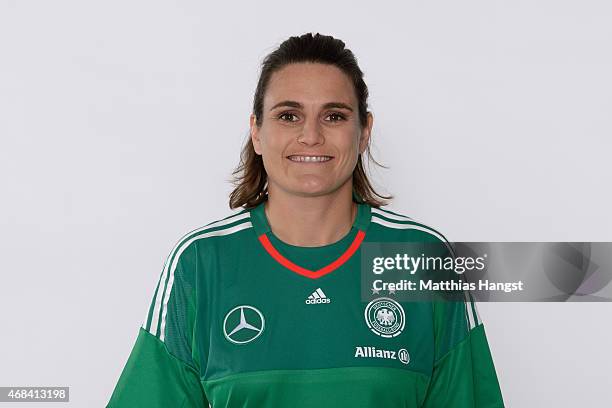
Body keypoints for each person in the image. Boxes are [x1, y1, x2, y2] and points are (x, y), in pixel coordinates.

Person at [107, 32, 505, 407]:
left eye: (334, 116)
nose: (311, 135)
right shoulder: (200, 262)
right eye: (288, 116)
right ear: (257, 133)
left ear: (363, 132)